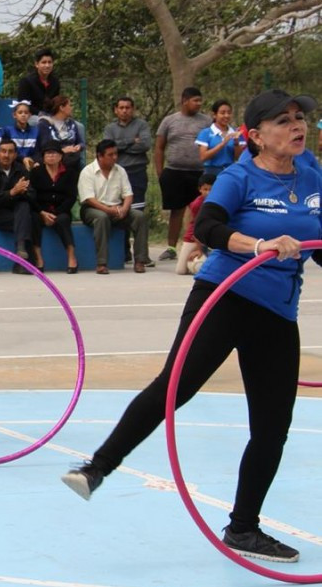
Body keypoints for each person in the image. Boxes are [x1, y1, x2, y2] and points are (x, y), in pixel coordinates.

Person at [62, 90, 320, 564]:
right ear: (256, 135)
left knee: (272, 428)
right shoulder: (240, 176)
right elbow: (208, 228)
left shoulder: (311, 172)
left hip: (278, 312)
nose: (297, 126)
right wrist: (258, 244)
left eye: (299, 118)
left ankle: (243, 529)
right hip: (224, 298)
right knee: (174, 387)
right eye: (283, 120)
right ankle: (97, 467)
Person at [155, 86, 212, 261]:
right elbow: (159, 147)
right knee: (176, 211)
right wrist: (160, 172)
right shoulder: (169, 121)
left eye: (200, 101)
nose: (199, 104)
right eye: (195, 100)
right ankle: (171, 248)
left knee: (201, 210)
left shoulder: (207, 121)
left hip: (199, 173)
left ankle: (201, 246)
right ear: (184, 101)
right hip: (174, 172)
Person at [78, 139, 150, 273]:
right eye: (110, 155)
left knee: (139, 216)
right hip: (93, 209)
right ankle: (102, 263)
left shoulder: (120, 171)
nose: (115, 157)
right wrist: (108, 210)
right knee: (102, 218)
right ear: (100, 156)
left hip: (117, 208)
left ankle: (140, 261)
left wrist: (124, 209)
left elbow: (128, 194)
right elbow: (89, 199)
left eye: (116, 154)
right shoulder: (87, 172)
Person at [0, 137, 33, 274]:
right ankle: (23, 259)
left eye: (10, 152)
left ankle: (21, 252)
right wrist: (12, 192)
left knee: (24, 207)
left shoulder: (21, 170)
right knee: (27, 220)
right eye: (3, 151)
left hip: (15, 211)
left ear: (15, 154)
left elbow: (32, 194)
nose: (6, 155)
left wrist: (22, 192)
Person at [28, 141, 79, 273]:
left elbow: (71, 197)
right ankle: (38, 258)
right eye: (47, 154)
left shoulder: (70, 173)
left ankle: (71, 257)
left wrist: (56, 213)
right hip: (41, 210)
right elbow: (31, 196)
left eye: (54, 153)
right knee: (33, 219)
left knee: (63, 220)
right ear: (43, 157)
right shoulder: (35, 173)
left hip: (61, 210)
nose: (51, 156)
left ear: (61, 156)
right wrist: (42, 212)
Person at [102, 96, 153, 214]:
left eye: (127, 107)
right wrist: (131, 141)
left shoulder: (141, 125)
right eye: (121, 108)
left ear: (133, 109)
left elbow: (145, 145)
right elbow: (108, 149)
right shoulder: (110, 128)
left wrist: (119, 148)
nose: (124, 110)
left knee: (137, 208)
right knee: (117, 206)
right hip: (116, 172)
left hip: (137, 171)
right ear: (116, 110)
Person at [176, 172, 215, 276]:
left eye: (211, 190)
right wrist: (199, 249)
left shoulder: (218, 201)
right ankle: (199, 263)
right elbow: (197, 227)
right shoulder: (197, 204)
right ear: (200, 189)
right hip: (194, 237)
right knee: (181, 270)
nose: (208, 192)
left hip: (210, 235)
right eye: (205, 189)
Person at [196, 99, 243, 176]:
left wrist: (236, 143)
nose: (226, 116)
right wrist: (222, 144)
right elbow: (203, 157)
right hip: (211, 173)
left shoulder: (236, 132)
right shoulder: (206, 133)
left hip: (230, 172)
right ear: (214, 115)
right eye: (222, 113)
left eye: (229, 113)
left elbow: (238, 157)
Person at [36, 95, 84, 167]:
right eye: (69, 105)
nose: (71, 108)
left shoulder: (71, 123)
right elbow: (44, 147)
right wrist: (62, 150)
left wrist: (78, 146)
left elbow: (81, 142)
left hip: (72, 158)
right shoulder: (44, 124)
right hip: (54, 160)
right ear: (61, 108)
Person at [15, 48, 60, 115]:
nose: (47, 65)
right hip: (31, 116)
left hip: (50, 116)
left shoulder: (55, 82)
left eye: (49, 62)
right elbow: (23, 104)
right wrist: (39, 113)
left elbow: (55, 103)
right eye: (44, 62)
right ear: (37, 64)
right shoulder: (26, 82)